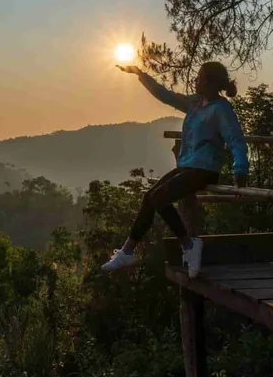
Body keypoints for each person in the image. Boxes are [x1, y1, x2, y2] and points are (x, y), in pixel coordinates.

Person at [102, 61, 249, 278]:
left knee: (159, 198)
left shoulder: (221, 109)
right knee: (149, 197)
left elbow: (236, 140)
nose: (195, 80)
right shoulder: (196, 103)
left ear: (208, 81)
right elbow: (165, 95)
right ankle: (128, 251)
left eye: (199, 77)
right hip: (187, 166)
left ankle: (189, 245)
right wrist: (140, 74)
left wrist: (241, 169)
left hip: (205, 168)